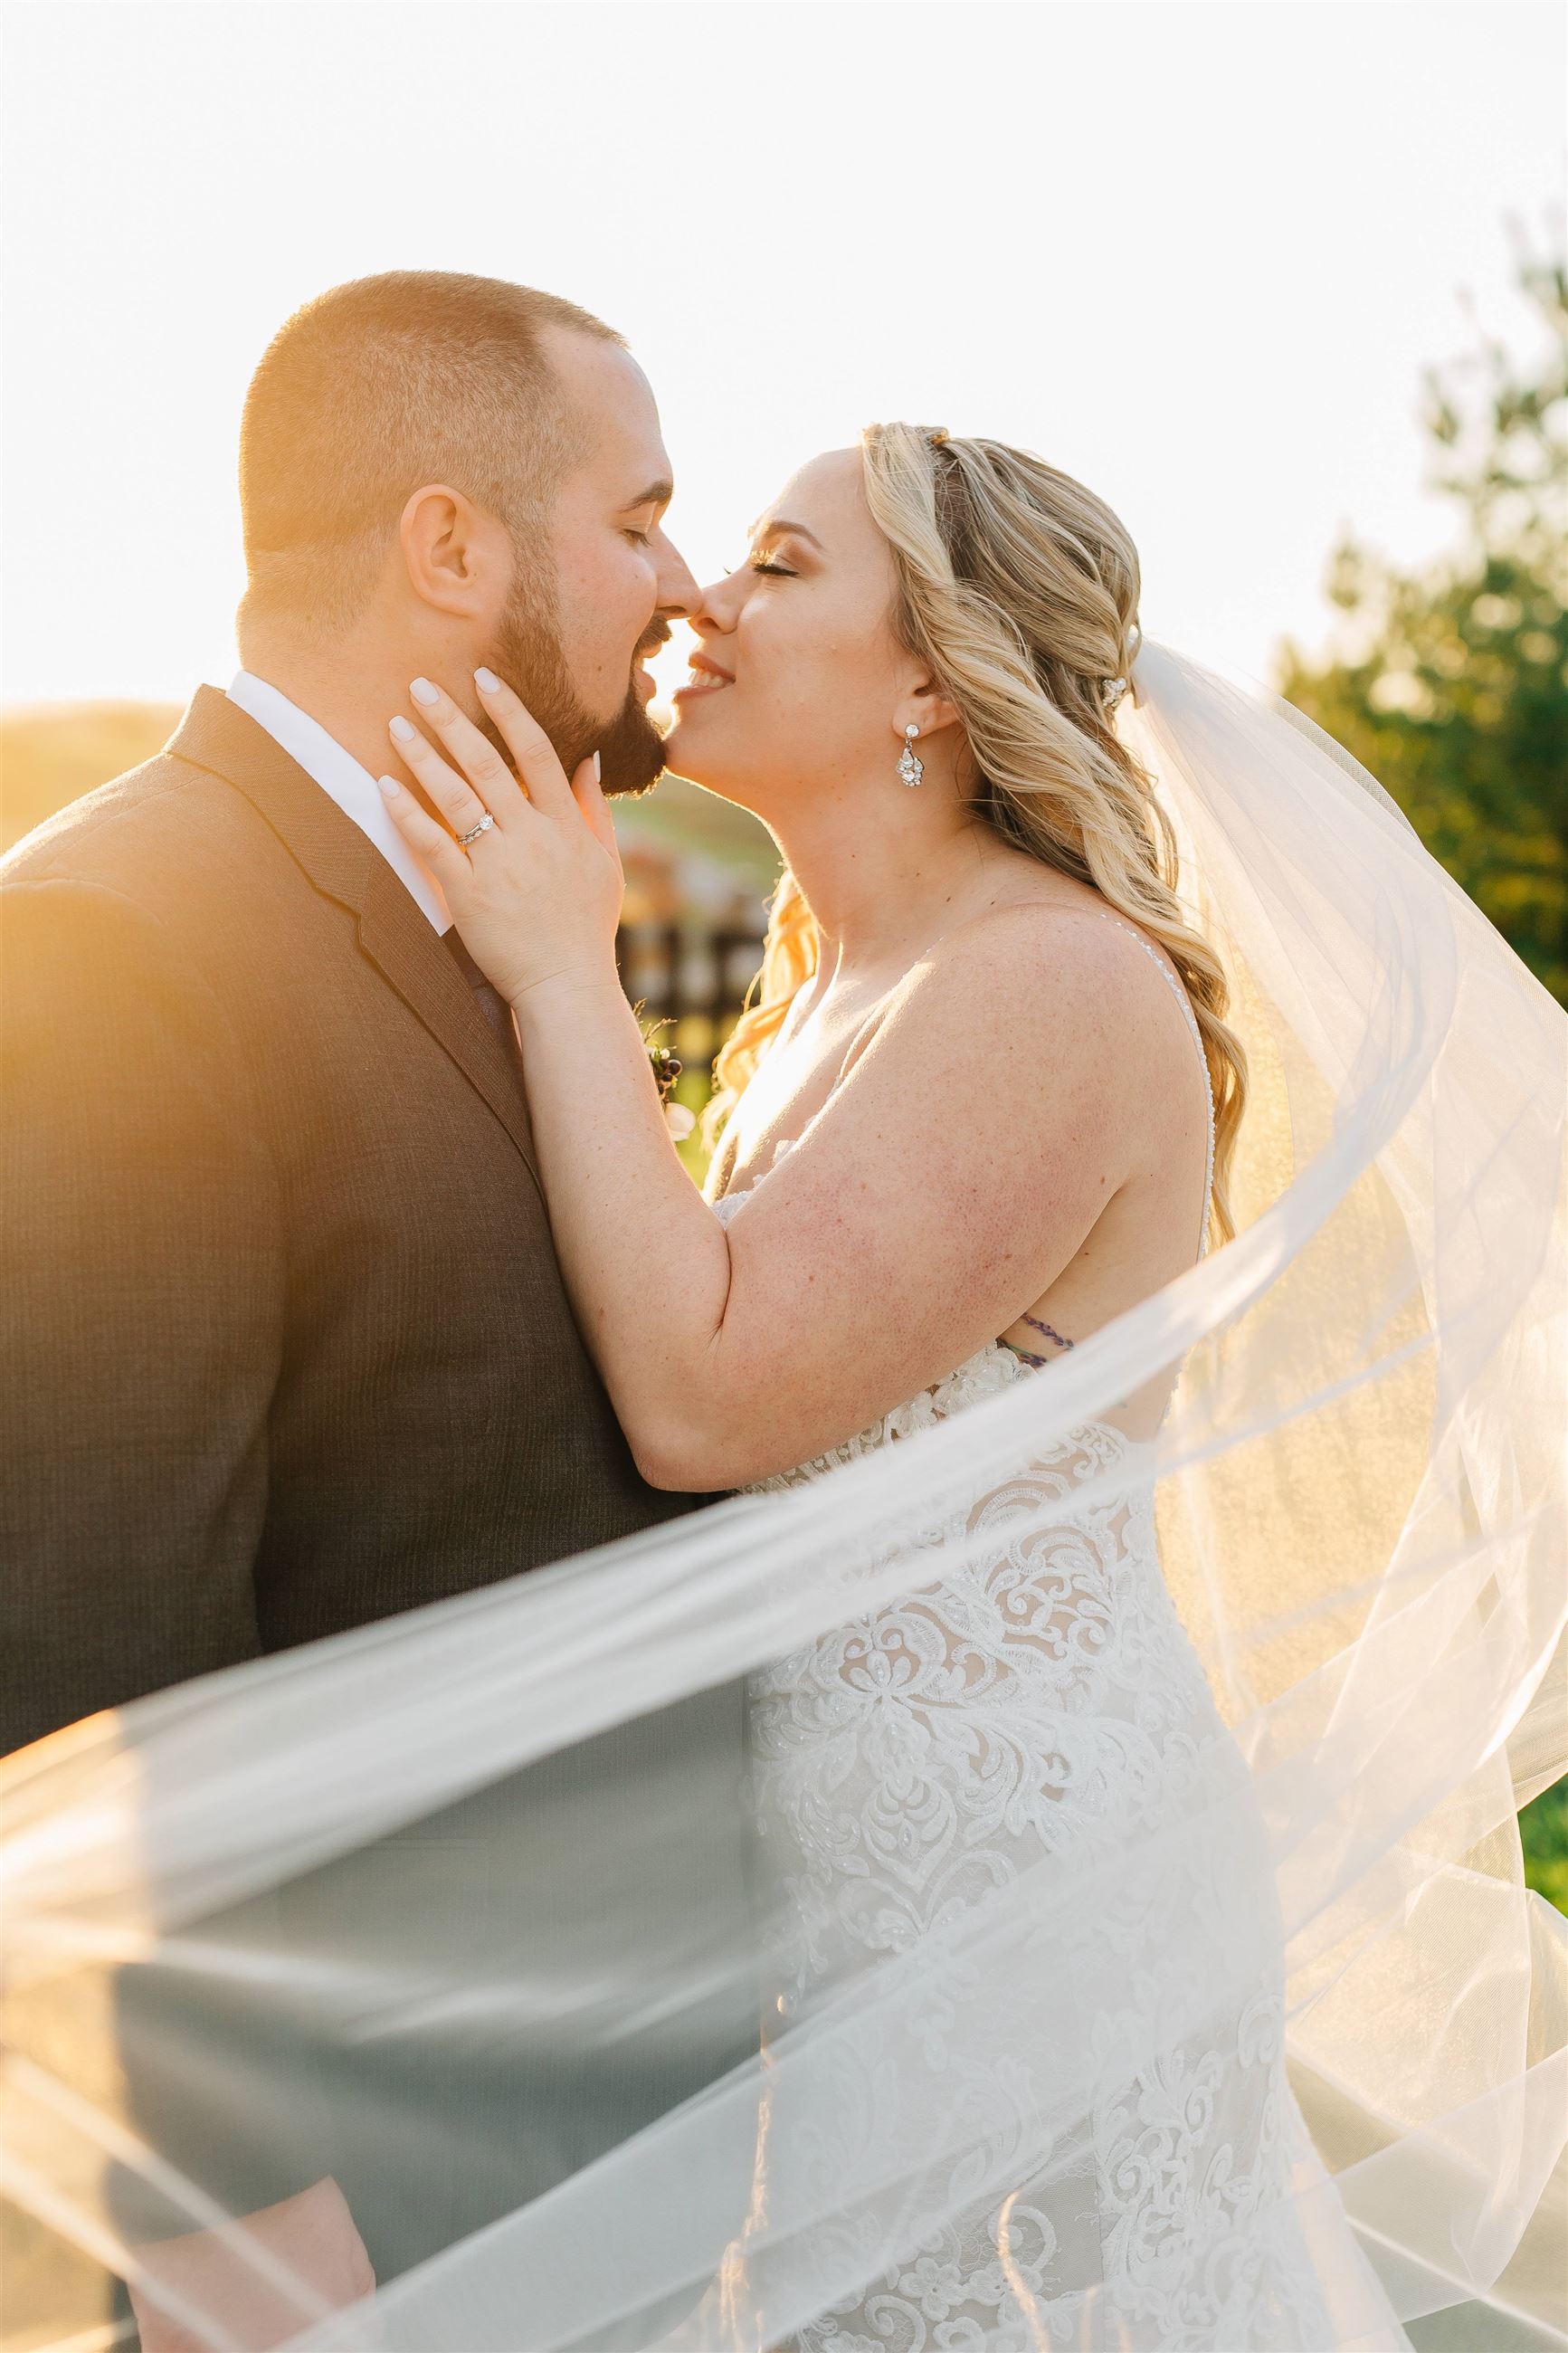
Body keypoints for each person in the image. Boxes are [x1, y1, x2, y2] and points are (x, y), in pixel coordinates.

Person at [375, 427, 1365, 2344]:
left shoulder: (1056, 982)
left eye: (776, 562)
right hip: (846, 1909)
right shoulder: (824, 987)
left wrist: (567, 970)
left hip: (1017, 1895)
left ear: (932, 670)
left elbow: (708, 1400)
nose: (704, 604)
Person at [0, 271, 757, 2312]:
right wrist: (231, 2206)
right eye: (636, 515)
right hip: (364, 2214)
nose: (681, 579)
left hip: (615, 2129)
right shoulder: (114, 937)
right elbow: (103, 1638)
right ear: (450, 544)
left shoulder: (512, 915)